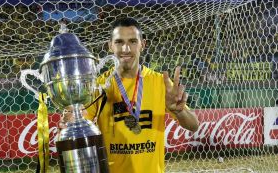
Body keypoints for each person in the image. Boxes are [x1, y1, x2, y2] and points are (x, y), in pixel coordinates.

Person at [60, 17, 199, 173]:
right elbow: (79, 123)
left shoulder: (161, 83)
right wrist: (71, 121)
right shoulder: (98, 86)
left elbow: (193, 125)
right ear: (110, 46)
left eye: (133, 41)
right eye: (119, 42)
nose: (126, 49)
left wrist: (180, 111)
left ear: (142, 44)